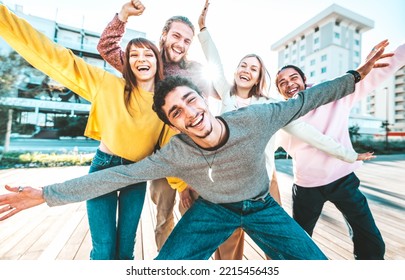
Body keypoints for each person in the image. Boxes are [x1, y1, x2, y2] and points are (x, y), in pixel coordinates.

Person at [0, 13, 389, 258]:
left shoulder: (254, 117)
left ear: (203, 99)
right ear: (173, 122)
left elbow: (308, 99)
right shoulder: (167, 141)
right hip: (204, 203)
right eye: (176, 113)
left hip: (261, 204)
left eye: (190, 102)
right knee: (149, 257)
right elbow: (114, 175)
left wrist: (357, 75)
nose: (189, 114)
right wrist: (44, 195)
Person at [0, 4, 186, 260]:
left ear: (157, 61)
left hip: (136, 174)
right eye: (134, 55)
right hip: (103, 169)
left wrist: (184, 187)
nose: (141, 59)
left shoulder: (165, 105)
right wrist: (3, 17)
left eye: (148, 55)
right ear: (128, 64)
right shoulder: (108, 85)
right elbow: (58, 58)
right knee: (104, 247)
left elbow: (172, 149)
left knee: (125, 250)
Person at [196, 0, 371, 260]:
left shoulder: (272, 106)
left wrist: (348, 154)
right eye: (243, 65)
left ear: (258, 78)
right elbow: (215, 60)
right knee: (228, 249)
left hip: (264, 184)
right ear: (236, 72)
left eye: (253, 68)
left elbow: (308, 133)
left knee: (276, 248)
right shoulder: (226, 95)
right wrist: (203, 29)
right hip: (227, 183)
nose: (246, 70)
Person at [97, 0, 216, 250]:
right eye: (176, 36)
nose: (181, 44)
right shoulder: (146, 62)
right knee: (164, 219)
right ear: (164, 35)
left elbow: (219, 94)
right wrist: (123, 16)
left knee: (197, 216)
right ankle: (167, 264)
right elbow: (107, 48)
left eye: (187, 41)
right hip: (159, 159)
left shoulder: (195, 71)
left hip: (191, 157)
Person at [274, 40, 405, 260]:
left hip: (342, 178)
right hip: (307, 186)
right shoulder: (282, 114)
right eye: (282, 82)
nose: (289, 84)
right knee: (299, 241)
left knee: (370, 241)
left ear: (305, 80)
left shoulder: (334, 94)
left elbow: (373, 74)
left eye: (293, 77)